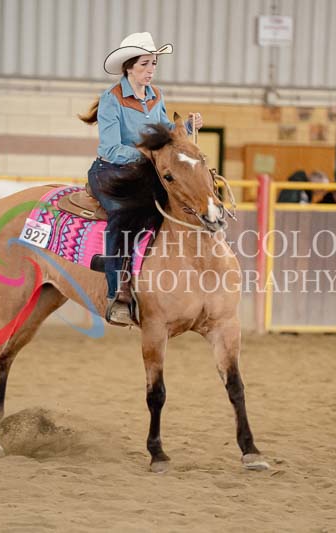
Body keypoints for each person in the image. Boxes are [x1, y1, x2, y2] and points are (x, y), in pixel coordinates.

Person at [78, 32, 203, 326]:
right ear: (129, 67)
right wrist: (147, 154)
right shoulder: (111, 99)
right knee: (123, 214)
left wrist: (186, 126)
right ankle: (117, 292)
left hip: (142, 172)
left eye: (154, 64)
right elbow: (110, 149)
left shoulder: (155, 95)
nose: (150, 70)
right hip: (110, 171)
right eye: (145, 64)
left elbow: (164, 132)